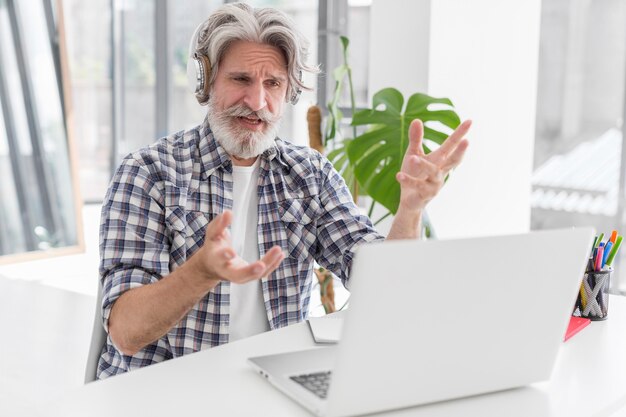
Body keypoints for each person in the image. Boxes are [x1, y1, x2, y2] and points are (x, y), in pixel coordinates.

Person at [97, 2, 471, 379]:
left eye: (272, 83)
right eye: (241, 80)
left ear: (289, 92)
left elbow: (384, 287)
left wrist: (410, 209)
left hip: (269, 386)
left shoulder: (309, 175)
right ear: (207, 82)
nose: (257, 102)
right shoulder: (148, 173)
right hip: (163, 393)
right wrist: (202, 272)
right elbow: (126, 333)